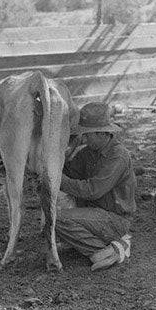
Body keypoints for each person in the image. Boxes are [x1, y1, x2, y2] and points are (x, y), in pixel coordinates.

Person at [56, 102, 136, 271]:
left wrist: (57, 178)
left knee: (58, 219)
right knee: (53, 221)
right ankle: (110, 243)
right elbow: (70, 172)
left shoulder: (117, 156)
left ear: (102, 133)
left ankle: (109, 249)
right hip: (97, 214)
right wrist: (59, 159)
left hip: (115, 218)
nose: (83, 139)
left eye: (87, 134)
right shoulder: (88, 152)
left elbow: (93, 190)